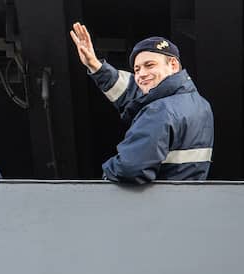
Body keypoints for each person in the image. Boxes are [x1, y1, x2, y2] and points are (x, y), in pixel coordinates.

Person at [68, 22, 214, 182]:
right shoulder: (200, 104)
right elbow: (132, 93)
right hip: (190, 195)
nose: (141, 74)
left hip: (159, 198)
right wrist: (95, 66)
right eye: (137, 69)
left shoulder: (160, 110)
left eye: (149, 65)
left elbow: (129, 168)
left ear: (173, 65)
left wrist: (107, 174)